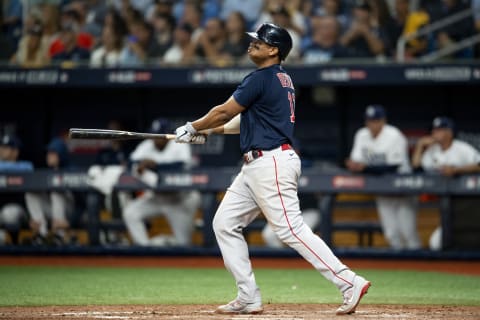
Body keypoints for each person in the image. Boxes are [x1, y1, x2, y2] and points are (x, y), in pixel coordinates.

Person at [174, 22, 370, 315]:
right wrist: (207, 132)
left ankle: (348, 281)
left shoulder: (261, 78)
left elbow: (224, 111)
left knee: (290, 229)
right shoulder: (280, 79)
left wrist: (192, 126)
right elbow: (243, 123)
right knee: (224, 223)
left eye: (259, 41)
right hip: (257, 165)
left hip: (271, 162)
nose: (251, 44)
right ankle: (248, 296)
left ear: (274, 50)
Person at [345, 105, 421, 250]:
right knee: (391, 233)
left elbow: (394, 166)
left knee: (408, 232)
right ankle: (401, 267)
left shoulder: (394, 135)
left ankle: (420, 266)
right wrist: (354, 166)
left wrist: (364, 168)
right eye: (369, 120)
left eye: (376, 120)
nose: (372, 124)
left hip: (402, 189)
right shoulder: (362, 134)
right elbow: (357, 161)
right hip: (382, 190)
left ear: (383, 121)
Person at [122, 118, 201, 247]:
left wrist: (154, 165)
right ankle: (144, 249)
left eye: (159, 135)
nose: (155, 139)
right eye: (154, 135)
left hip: (178, 199)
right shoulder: (147, 145)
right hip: (155, 197)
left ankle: (165, 242)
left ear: (167, 135)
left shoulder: (179, 143)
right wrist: (142, 165)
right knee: (130, 212)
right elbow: (131, 162)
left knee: (183, 244)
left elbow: (181, 166)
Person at [411, 116, 480, 250]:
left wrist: (456, 170)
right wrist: (420, 145)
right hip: (447, 207)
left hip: (468, 203)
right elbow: (416, 166)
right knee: (436, 243)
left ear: (449, 132)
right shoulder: (432, 151)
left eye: (439, 130)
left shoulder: (462, 148)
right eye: (434, 130)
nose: (434, 133)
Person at [24, 137, 75, 246]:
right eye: (48, 152)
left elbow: (83, 204)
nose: (49, 155)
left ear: (61, 154)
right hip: (52, 212)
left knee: (57, 192)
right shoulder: (45, 172)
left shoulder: (71, 171)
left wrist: (70, 222)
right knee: (31, 193)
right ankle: (41, 234)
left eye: (53, 153)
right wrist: (31, 219)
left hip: (69, 212)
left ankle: (59, 236)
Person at [0, 134, 33, 245]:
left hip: (18, 211)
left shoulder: (25, 166)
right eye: (1, 147)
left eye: (6, 148)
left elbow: (29, 169)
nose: (2, 150)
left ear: (15, 151)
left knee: (10, 212)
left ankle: (15, 245)